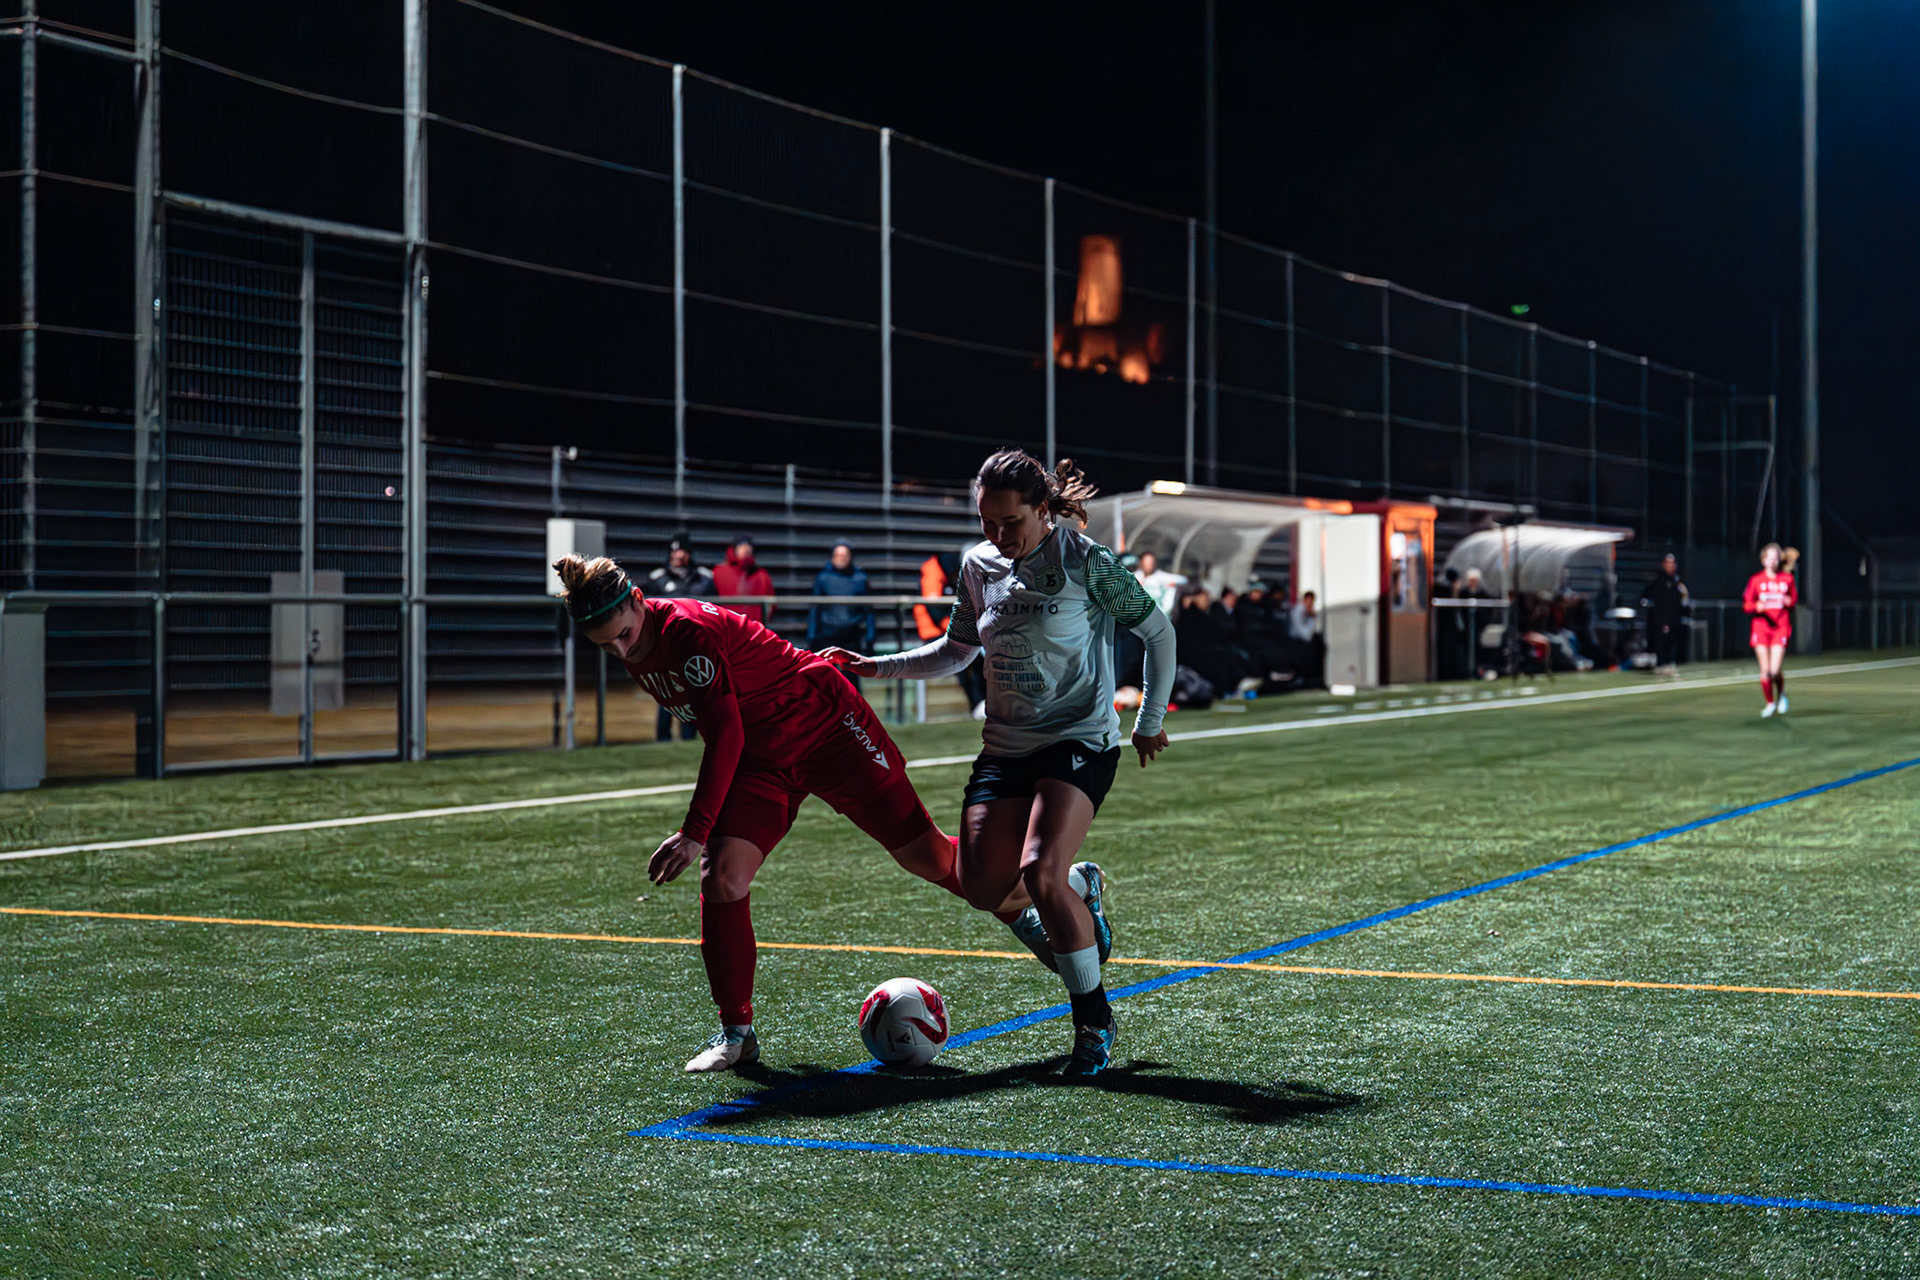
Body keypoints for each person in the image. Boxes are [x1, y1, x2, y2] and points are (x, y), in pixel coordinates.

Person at [554, 553, 1044, 1073]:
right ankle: (737, 1033)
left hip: (828, 730)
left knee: (927, 858)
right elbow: (732, 732)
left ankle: (1041, 902)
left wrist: (695, 830)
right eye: (605, 645)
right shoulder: (631, 638)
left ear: (637, 601)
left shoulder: (689, 631)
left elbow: (725, 734)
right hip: (762, 760)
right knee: (721, 876)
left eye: (624, 635)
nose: (620, 649)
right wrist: (706, 838)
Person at [831, 449, 1176, 1078]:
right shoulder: (977, 564)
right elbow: (957, 649)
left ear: (1043, 510)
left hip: (1079, 739)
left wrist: (1147, 722)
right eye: (987, 521)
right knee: (985, 888)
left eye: (1010, 522)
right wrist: (874, 666)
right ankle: (1079, 892)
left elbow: (1159, 634)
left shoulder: (1085, 560)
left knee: (1039, 872)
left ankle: (1094, 1021)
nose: (997, 534)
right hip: (1007, 747)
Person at [648, 531, 715, 741]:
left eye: (682, 550)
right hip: (666, 645)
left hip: (694, 645)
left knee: (693, 692)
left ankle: (689, 737)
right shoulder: (658, 579)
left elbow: (713, 610)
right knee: (666, 692)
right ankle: (663, 738)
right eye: (674, 550)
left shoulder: (704, 579)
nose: (678, 555)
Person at [914, 549, 987, 718]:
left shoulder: (954, 569)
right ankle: (976, 704)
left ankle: (983, 702)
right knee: (965, 663)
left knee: (979, 660)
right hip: (936, 631)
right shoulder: (933, 572)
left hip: (954, 629)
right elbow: (935, 611)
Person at [807, 541, 873, 693]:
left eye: (844, 555)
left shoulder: (860, 579)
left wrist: (870, 637)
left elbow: (868, 610)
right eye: (838, 555)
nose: (841, 558)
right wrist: (811, 635)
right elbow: (815, 608)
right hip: (826, 637)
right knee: (824, 683)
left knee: (852, 684)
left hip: (851, 637)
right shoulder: (823, 578)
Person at [1743, 543, 1799, 717]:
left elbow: (1793, 601)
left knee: (1774, 671)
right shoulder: (1756, 580)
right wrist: (1756, 606)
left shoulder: (1787, 579)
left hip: (1780, 628)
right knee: (1765, 672)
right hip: (1761, 628)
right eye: (1770, 558)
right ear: (1763, 560)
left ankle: (1781, 693)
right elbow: (1747, 605)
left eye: (1776, 558)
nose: (1773, 561)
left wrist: (1789, 602)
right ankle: (1769, 703)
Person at [1637, 553, 1691, 674]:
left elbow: (1683, 600)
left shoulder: (1678, 583)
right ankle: (1661, 663)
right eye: (1667, 563)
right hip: (1660, 619)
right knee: (1661, 641)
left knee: (1671, 641)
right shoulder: (1658, 582)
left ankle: (1668, 661)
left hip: (1674, 618)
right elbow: (1645, 598)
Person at [712, 534, 775, 627]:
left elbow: (771, 603)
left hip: (754, 629)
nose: (746, 550)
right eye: (742, 547)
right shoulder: (719, 572)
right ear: (734, 550)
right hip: (726, 627)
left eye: (748, 547)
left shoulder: (761, 575)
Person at [1133, 551, 1187, 617]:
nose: (1148, 566)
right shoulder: (1135, 577)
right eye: (1146, 563)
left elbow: (1183, 580)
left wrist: (1173, 584)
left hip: (1159, 614)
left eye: (1151, 563)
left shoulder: (1160, 577)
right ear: (1141, 563)